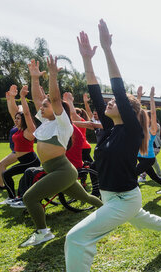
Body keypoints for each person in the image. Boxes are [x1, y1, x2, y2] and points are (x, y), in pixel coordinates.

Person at [42, 21, 161, 272]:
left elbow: (117, 88)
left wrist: (107, 49)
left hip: (124, 198)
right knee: (144, 220)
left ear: (126, 109)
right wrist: (87, 59)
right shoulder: (106, 129)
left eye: (113, 101)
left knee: (76, 239)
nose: (106, 102)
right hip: (112, 197)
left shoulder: (131, 129)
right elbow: (95, 90)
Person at [20, 57, 103, 247]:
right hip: (60, 171)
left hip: (62, 171)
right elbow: (37, 99)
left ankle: (43, 232)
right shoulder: (46, 122)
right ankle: (108, 211)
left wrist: (53, 75)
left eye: (46, 106)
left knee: (29, 198)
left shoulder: (63, 124)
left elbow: (55, 99)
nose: (42, 107)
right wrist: (34, 79)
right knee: (86, 198)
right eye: (43, 106)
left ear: (58, 110)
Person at [0, 85, 41, 204]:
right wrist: (11, 99)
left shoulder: (28, 131)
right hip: (23, 160)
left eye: (18, 118)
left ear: (23, 120)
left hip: (30, 160)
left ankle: (13, 198)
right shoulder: (18, 129)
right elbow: (13, 112)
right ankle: (12, 197)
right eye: (15, 118)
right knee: (7, 174)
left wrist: (22, 97)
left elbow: (27, 114)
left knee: (6, 174)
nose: (16, 120)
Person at [135, 85, 161, 194]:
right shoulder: (139, 127)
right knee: (153, 176)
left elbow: (154, 113)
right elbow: (136, 112)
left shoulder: (153, 129)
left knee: (132, 173)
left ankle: (133, 196)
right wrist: (138, 96)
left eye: (146, 116)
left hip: (149, 158)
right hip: (140, 157)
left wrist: (151, 97)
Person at [0, 88, 20, 192]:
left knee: (1, 164)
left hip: (20, 152)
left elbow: (14, 110)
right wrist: (10, 99)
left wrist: (13, 99)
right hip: (16, 151)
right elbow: (12, 112)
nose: (16, 116)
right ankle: (1, 185)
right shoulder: (17, 123)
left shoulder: (24, 126)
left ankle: (1, 185)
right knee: (2, 165)